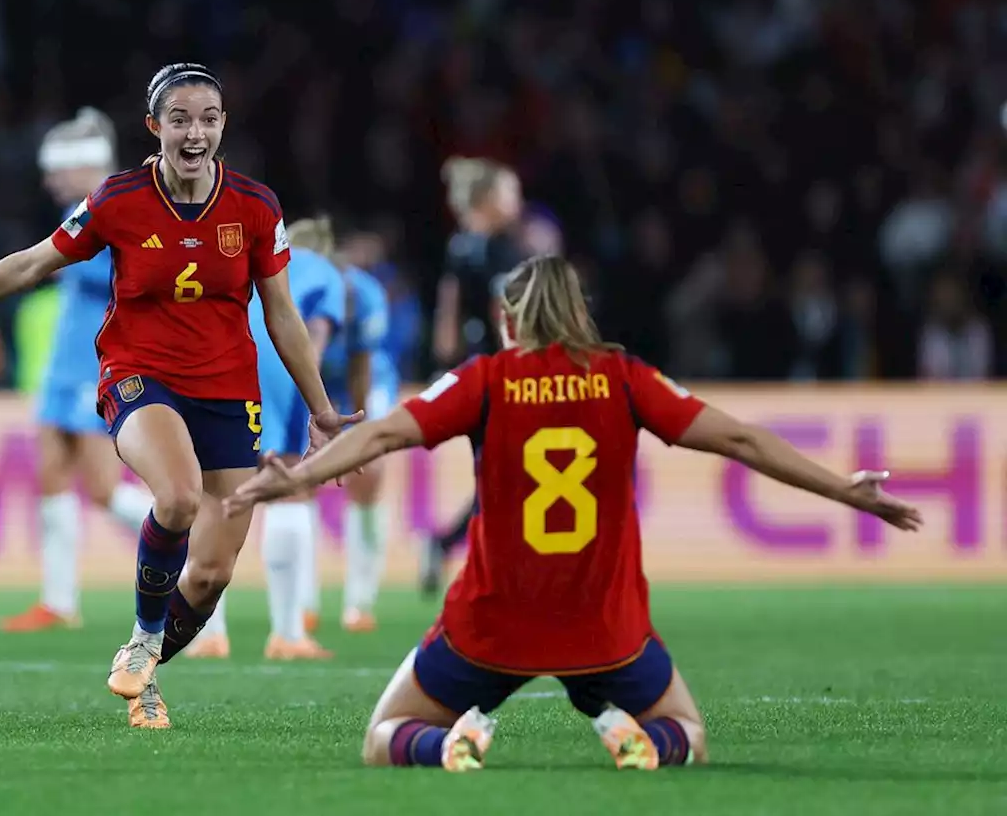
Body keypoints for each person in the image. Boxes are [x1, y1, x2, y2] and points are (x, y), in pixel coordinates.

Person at [223, 256, 922, 772]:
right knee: (688, 732)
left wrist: (301, 474)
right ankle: (638, 737)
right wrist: (843, 489)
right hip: (604, 628)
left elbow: (381, 434)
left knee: (386, 734)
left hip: (491, 628)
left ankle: (451, 744)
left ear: (507, 319)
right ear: (580, 314)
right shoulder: (624, 377)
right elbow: (741, 439)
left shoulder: (485, 380)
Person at [0, 63, 357, 731]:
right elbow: (34, 262)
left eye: (208, 118)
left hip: (228, 389)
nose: (195, 131)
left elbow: (283, 316)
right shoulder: (117, 201)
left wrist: (322, 408)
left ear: (223, 126)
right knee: (177, 497)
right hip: (139, 375)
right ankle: (146, 639)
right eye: (179, 118)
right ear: (154, 127)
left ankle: (143, 665)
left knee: (210, 575)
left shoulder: (256, 207)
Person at [0, 108, 155, 632]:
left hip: (98, 359)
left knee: (105, 489)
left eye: (57, 169)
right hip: (64, 362)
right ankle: (58, 602)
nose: (49, 180)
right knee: (51, 477)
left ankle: (185, 536)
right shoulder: (78, 211)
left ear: (85, 167)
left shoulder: (120, 212)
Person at [187, 216, 345, 660]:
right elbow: (312, 337)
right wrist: (316, 402)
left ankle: (208, 633)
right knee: (289, 486)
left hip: (225, 359)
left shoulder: (258, 257)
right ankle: (288, 633)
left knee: (216, 494)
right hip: (278, 364)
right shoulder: (325, 273)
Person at [422, 157, 525, 597]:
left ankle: (450, 545)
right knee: (507, 475)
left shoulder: (460, 246)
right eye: (510, 192)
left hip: (471, 374)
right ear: (488, 200)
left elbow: (448, 311)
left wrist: (443, 364)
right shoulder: (499, 250)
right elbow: (505, 314)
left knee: (497, 474)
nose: (516, 202)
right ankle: (485, 565)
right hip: (503, 376)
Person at [309, 237, 393, 633]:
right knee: (296, 479)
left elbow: (364, 364)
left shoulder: (368, 295)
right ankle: (304, 600)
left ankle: (360, 600)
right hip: (313, 382)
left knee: (370, 474)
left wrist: (362, 432)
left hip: (364, 380)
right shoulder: (294, 289)